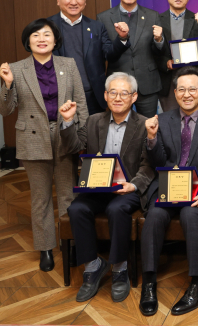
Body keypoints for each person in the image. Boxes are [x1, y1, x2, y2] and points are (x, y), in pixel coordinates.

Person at [0, 19, 88, 272]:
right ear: (28, 41)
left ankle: (70, 243)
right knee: (41, 197)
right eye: (35, 35)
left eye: (47, 34)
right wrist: (7, 84)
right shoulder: (16, 69)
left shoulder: (68, 64)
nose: (41, 39)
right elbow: (5, 110)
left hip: (65, 134)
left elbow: (80, 101)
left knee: (68, 194)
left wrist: (83, 137)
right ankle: (46, 247)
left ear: (55, 40)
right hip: (33, 138)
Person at [138, 66, 198, 317]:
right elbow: (157, 162)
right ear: (175, 92)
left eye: (192, 89)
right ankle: (149, 282)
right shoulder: (162, 119)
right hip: (169, 188)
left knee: (191, 213)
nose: (187, 94)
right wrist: (152, 138)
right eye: (181, 90)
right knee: (155, 215)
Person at [59, 73, 155, 303]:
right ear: (105, 95)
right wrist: (68, 122)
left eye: (124, 93)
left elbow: (149, 164)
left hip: (126, 189)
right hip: (98, 187)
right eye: (113, 92)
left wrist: (133, 185)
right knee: (76, 209)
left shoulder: (144, 124)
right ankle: (93, 266)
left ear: (134, 97)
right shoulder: (94, 121)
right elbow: (74, 147)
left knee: (116, 209)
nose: (118, 98)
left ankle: (120, 269)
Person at [48, 0, 129, 115]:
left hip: (92, 96)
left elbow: (109, 54)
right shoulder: (47, 27)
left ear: (85, 0)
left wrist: (122, 38)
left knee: (93, 129)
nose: (73, 2)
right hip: (59, 96)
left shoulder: (96, 27)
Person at [98, 0, 164, 117]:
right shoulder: (104, 18)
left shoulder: (152, 16)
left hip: (147, 84)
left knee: (148, 125)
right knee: (118, 125)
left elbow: (159, 52)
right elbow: (107, 54)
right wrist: (121, 39)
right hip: (118, 85)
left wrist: (159, 40)